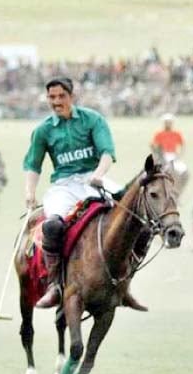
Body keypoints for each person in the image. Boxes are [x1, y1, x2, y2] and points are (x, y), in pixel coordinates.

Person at [23, 77, 144, 310]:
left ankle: (124, 285)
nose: (57, 101)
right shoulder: (43, 130)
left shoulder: (93, 120)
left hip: (94, 178)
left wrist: (98, 173)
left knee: (135, 218)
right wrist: (29, 192)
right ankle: (54, 286)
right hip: (64, 186)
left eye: (61, 96)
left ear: (72, 96)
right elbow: (33, 165)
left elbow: (107, 153)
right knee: (52, 226)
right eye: (52, 97)